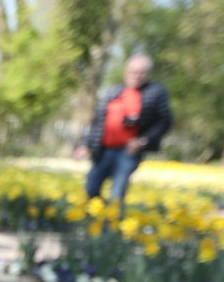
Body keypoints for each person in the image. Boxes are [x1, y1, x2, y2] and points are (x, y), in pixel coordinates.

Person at [73, 53, 173, 204]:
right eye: (132, 72)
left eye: (141, 72)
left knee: (117, 194)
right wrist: (85, 145)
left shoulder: (156, 92)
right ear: (126, 72)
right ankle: (97, 216)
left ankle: (113, 217)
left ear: (148, 74)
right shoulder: (113, 91)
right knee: (91, 188)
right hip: (103, 150)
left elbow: (166, 121)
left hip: (127, 152)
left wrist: (143, 141)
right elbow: (97, 122)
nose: (136, 76)